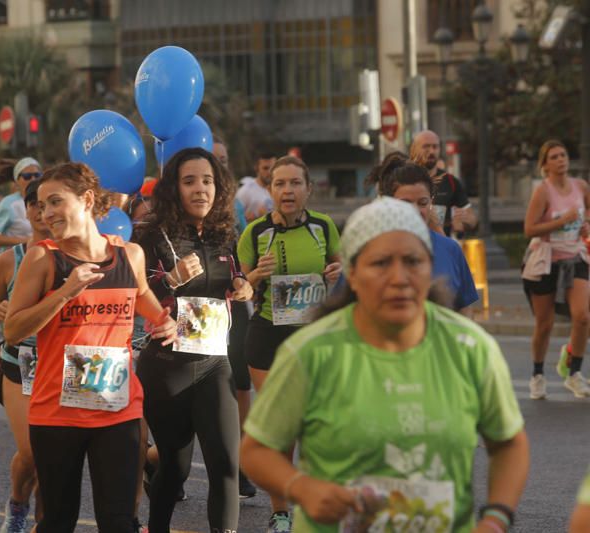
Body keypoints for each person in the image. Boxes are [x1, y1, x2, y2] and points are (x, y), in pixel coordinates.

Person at [241, 197, 529, 533]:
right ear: (353, 273)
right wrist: (302, 488)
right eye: (380, 263)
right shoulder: (311, 352)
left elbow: (509, 442)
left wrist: (495, 519)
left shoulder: (469, 347)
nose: (399, 278)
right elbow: (256, 450)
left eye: (413, 261)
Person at [3, 162, 177, 532]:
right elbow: (13, 330)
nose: (47, 213)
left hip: (118, 411)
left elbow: (144, 299)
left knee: (118, 521)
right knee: (57, 521)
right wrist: (66, 292)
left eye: (55, 202)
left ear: (85, 200)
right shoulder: (44, 259)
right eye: (41, 205)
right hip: (57, 414)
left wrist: (167, 322)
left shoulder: (129, 254)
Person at [134, 147, 252, 532]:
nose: (201, 189)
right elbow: (134, 292)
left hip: (215, 363)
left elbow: (232, 279)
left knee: (225, 465)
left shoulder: (224, 234)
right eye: (190, 181)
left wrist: (242, 286)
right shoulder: (151, 235)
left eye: (207, 181)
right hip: (167, 367)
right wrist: (171, 279)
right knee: (175, 467)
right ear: (174, 189)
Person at [238, 155, 341, 531]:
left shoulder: (324, 227)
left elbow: (340, 271)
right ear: (270, 189)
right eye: (280, 184)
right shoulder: (255, 233)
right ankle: (280, 511)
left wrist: (336, 272)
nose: (287, 190)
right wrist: (253, 275)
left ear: (308, 189)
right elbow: (238, 291)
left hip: (312, 337)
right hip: (268, 336)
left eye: (295, 183)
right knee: (285, 422)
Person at [0, 178, 46, 532]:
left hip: (63, 366)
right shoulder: (11, 259)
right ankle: (17, 505)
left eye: (49, 202)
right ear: (26, 210)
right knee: (31, 451)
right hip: (19, 362)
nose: (42, 210)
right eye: (34, 203)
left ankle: (44, 523)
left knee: (54, 456)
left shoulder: (72, 256)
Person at [523, 140, 590, 399]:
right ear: (545, 164)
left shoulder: (581, 187)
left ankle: (574, 373)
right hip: (546, 260)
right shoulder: (543, 192)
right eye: (554, 157)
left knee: (583, 316)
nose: (561, 160)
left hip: (575, 257)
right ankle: (537, 375)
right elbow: (529, 229)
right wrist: (562, 221)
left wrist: (585, 226)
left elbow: (587, 215)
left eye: (563, 155)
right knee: (545, 324)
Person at [375, 152, 479, 313]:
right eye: (406, 203)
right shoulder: (367, 252)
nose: (415, 210)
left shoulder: (450, 249)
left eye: (423, 203)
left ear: (432, 201)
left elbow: (464, 312)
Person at [212, 136, 257, 499]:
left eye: (224, 160)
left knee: (240, 382)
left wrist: (244, 281)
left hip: (233, 304)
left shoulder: (234, 204)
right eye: (214, 159)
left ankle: (239, 466)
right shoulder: (174, 207)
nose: (220, 166)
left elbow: (241, 255)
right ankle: (159, 461)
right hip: (195, 311)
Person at [409, 130, 477, 237]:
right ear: (413, 149)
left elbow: (472, 219)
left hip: (441, 247)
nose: (431, 151)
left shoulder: (450, 181)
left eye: (435, 147)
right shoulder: (403, 179)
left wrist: (465, 221)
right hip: (411, 246)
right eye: (426, 146)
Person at [0, 157, 41, 255]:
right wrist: (25, 241)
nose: (33, 179)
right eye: (27, 176)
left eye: (37, 175)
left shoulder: (46, 200)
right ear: (17, 180)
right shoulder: (9, 204)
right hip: (15, 262)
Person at [235, 151, 276, 222]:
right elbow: (234, 217)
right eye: (265, 168)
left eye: (273, 168)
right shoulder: (246, 191)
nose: (270, 172)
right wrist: (246, 219)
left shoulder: (280, 190)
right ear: (256, 168)